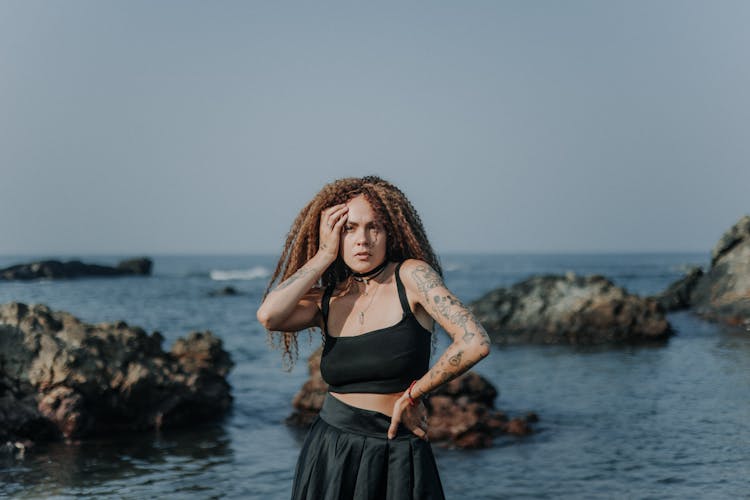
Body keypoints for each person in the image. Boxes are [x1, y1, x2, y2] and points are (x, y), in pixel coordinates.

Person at [257, 176, 491, 500]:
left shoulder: (412, 276)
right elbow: (269, 315)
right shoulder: (328, 300)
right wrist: (324, 254)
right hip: (331, 450)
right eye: (349, 228)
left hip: (396, 451)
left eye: (374, 227)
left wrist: (414, 395)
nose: (362, 240)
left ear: (390, 232)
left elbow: (475, 341)